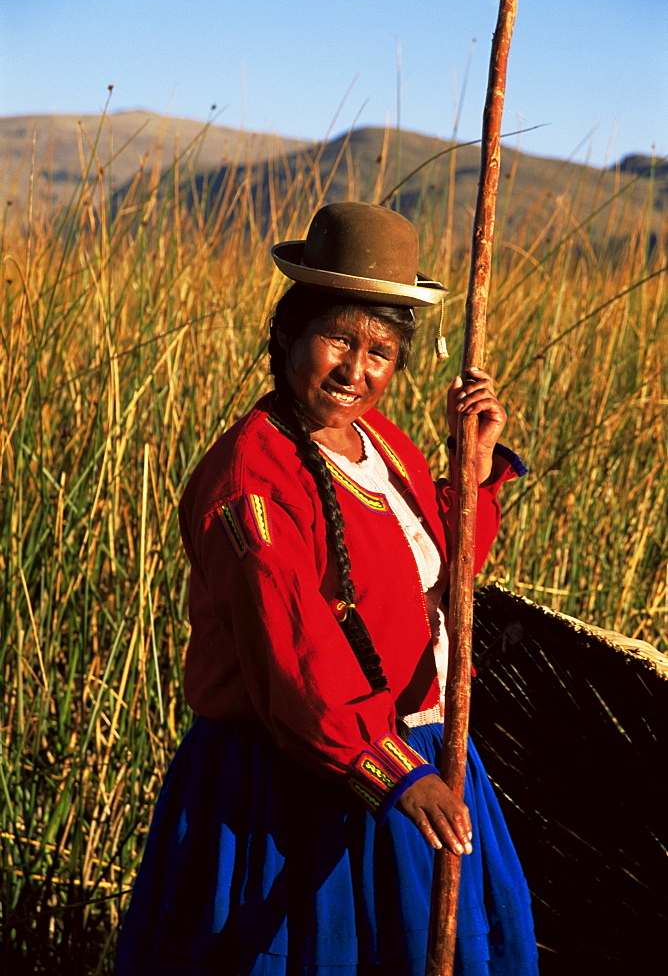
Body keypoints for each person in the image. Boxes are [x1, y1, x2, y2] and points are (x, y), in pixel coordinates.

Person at [115, 202, 538, 975]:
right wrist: (395, 773)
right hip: (296, 782)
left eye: (380, 351)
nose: (356, 370)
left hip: (419, 761)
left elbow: (441, 580)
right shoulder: (251, 481)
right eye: (338, 338)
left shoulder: (384, 446)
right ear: (289, 333)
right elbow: (292, 655)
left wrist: (470, 478)